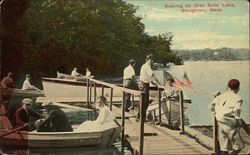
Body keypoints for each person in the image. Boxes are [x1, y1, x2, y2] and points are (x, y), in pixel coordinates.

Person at [209, 79, 244, 155]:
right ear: (238, 88)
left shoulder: (220, 96)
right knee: (239, 145)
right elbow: (237, 111)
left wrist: (216, 112)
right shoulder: (238, 98)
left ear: (227, 87)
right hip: (230, 124)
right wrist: (238, 121)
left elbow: (211, 106)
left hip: (220, 123)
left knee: (224, 148)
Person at [137, 54, 161, 120]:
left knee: (142, 101)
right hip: (144, 85)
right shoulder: (147, 66)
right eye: (152, 61)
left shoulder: (143, 66)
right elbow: (152, 75)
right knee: (144, 101)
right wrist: (159, 83)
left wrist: (153, 82)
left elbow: (147, 76)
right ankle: (142, 117)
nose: (152, 62)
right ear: (150, 60)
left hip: (142, 84)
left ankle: (139, 116)